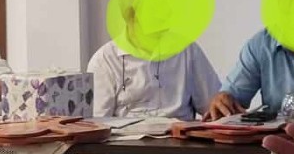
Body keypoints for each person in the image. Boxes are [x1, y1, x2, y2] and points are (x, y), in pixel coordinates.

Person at [87, 38, 219, 121]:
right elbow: (98, 123)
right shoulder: (105, 59)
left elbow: (215, 108)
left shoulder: (188, 50)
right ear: (129, 15)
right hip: (126, 149)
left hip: (182, 146)